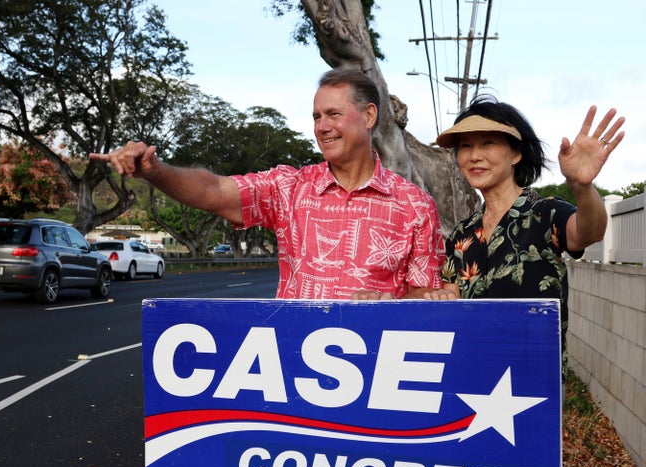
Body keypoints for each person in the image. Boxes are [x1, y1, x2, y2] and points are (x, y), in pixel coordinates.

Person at [90, 69, 445, 299]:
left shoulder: (415, 205)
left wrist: (388, 303)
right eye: (316, 117)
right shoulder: (289, 188)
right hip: (292, 368)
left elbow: (424, 295)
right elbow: (215, 190)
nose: (322, 127)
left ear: (369, 116)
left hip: (380, 374)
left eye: (333, 114)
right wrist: (155, 170)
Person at [424, 95, 625, 348]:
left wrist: (581, 186)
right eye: (465, 146)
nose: (475, 156)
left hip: (532, 380)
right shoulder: (461, 234)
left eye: (488, 143)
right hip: (471, 375)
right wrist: (439, 297)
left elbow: (589, 232)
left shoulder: (545, 213)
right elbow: (452, 292)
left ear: (516, 154)